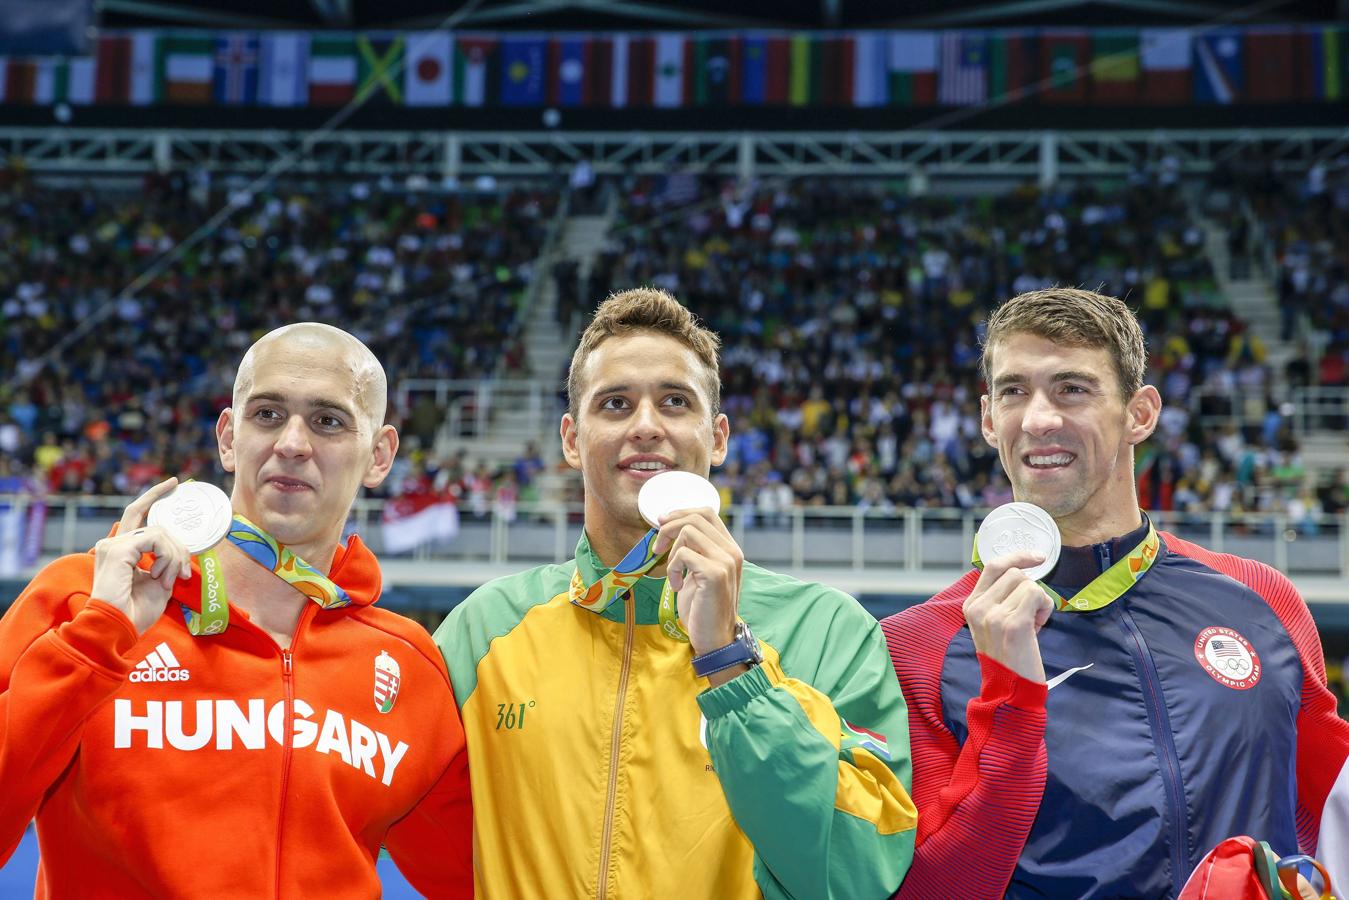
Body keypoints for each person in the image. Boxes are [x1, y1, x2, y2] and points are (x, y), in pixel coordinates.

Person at [434, 288, 916, 898]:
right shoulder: (482, 631)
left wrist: (731, 664)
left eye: (674, 402)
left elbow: (857, 873)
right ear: (571, 439)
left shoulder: (826, 630)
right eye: (614, 404)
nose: (645, 426)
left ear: (716, 438)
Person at [881, 288, 1349, 898]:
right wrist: (1010, 704)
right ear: (988, 419)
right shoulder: (920, 645)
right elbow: (931, 889)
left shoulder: (1260, 598)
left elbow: (1330, 811)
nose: (1039, 417)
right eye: (1013, 390)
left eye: (1072, 388)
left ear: (1141, 414)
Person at [0, 323, 471, 898]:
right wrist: (97, 639)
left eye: (328, 420)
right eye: (268, 414)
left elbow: (481, 877)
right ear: (229, 436)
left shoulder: (407, 664)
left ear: (379, 455)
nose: (293, 443)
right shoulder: (81, 601)